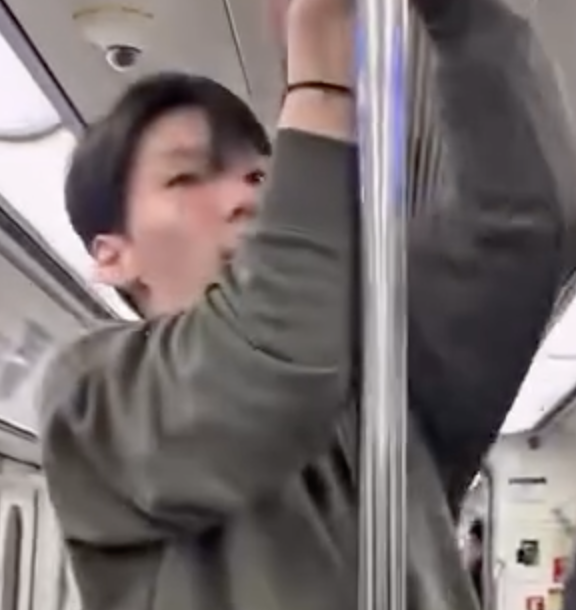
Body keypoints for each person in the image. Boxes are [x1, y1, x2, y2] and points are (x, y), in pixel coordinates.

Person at [39, 0, 576, 609]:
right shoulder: (91, 401)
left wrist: (457, 14)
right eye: (186, 178)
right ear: (113, 256)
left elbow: (522, 229)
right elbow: (269, 362)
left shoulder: (377, 375)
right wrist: (321, 78)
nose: (246, 198)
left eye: (259, 176)